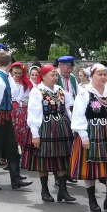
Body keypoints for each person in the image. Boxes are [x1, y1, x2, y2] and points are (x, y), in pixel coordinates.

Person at [71, 64, 107, 212]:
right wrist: (84, 136)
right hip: (91, 133)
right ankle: (92, 200)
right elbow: (78, 115)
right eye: (100, 74)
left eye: (104, 75)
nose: (103, 77)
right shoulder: (84, 93)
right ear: (92, 76)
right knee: (90, 166)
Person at [23, 64, 75, 203]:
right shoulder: (37, 91)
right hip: (45, 128)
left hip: (62, 128)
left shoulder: (60, 90)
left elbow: (67, 110)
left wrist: (72, 126)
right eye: (52, 75)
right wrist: (35, 134)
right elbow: (33, 114)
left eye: (56, 75)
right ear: (44, 76)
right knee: (43, 160)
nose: (55, 77)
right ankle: (44, 191)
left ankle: (63, 190)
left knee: (63, 158)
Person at [0, 52, 33, 191]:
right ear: (10, 64)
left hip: (5, 117)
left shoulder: (5, 77)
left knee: (12, 147)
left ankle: (15, 178)